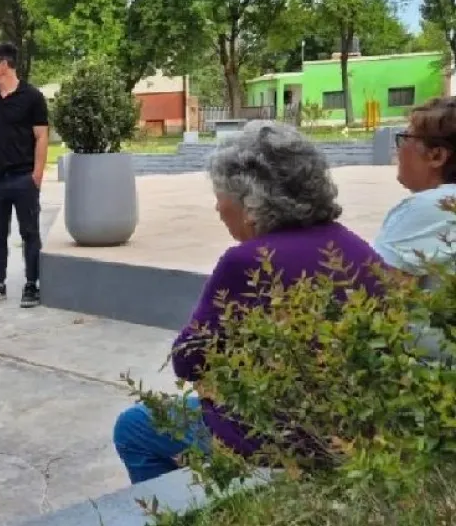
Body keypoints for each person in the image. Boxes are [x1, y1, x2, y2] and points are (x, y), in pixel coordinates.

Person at [112, 121, 385, 484]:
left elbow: (187, 360)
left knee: (134, 427)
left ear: (251, 203)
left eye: (222, 194)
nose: (217, 207)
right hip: (356, 426)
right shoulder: (354, 245)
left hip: (284, 435)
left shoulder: (248, 260)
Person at [373, 96, 456, 360]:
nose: (398, 150)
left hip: (429, 380)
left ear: (437, 155)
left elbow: (376, 297)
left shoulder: (429, 208)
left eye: (404, 139)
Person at [0, 42, 49, 308]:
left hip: (23, 177)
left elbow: (41, 136)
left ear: (4, 65)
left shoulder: (32, 97)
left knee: (29, 233)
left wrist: (37, 174)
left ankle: (32, 285)